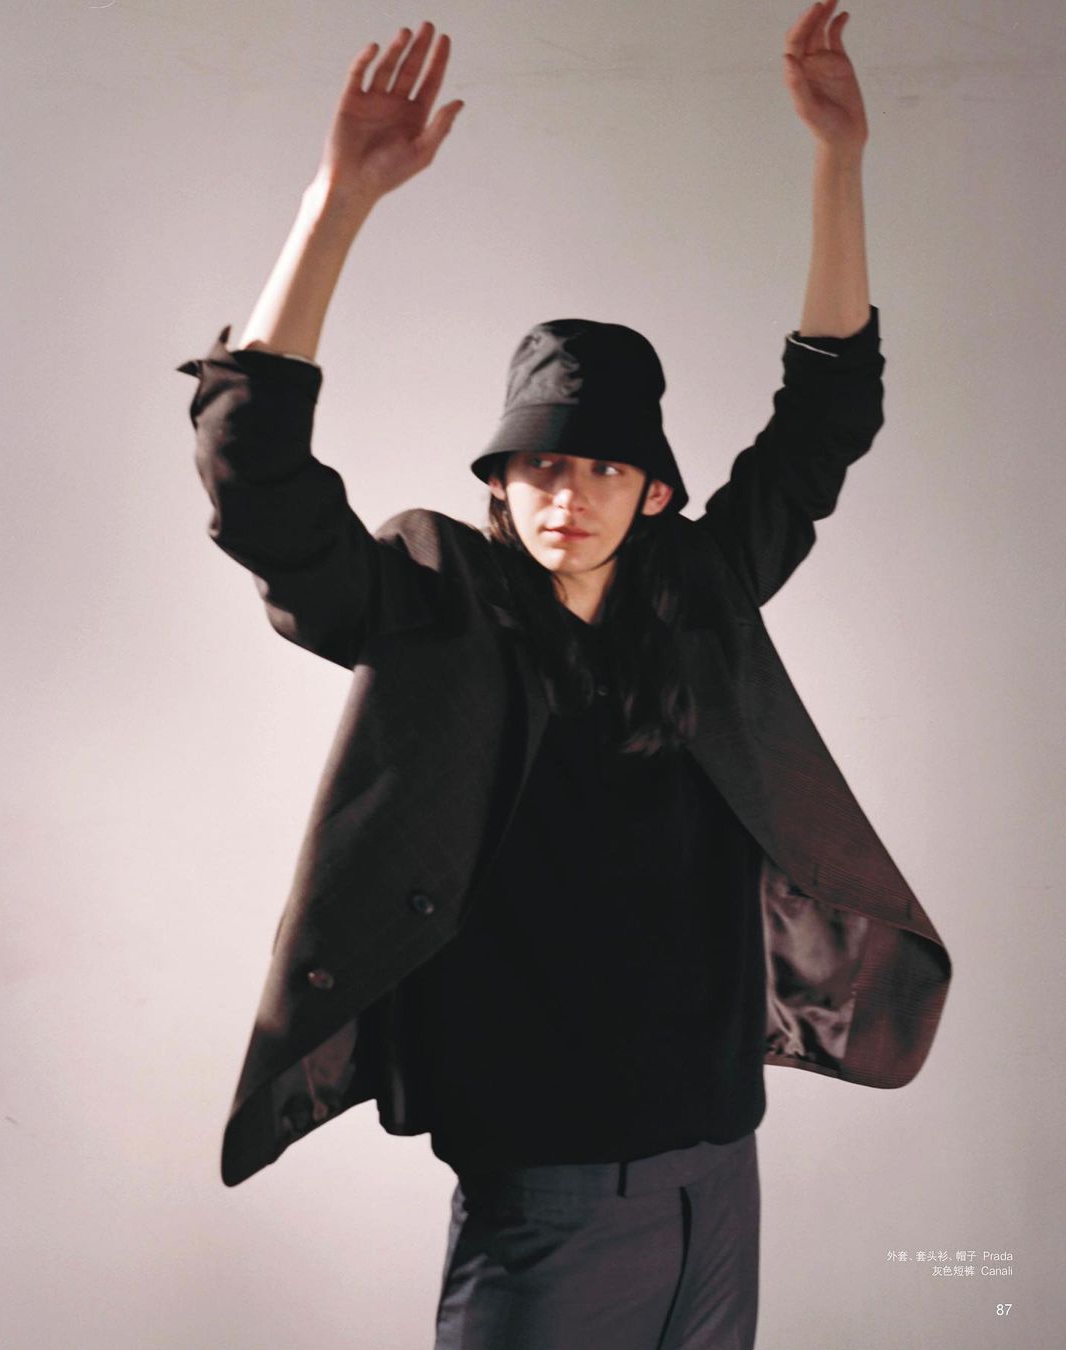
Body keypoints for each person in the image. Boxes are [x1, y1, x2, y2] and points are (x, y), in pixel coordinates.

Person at [175, 6, 951, 1348]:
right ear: (500, 481)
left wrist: (839, 162)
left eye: (600, 465)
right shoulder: (435, 602)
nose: (565, 493)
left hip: (720, 1170)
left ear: (654, 491)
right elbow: (259, 488)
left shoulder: (701, 598)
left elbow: (823, 421)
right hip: (543, 1193)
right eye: (537, 463)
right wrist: (334, 205)